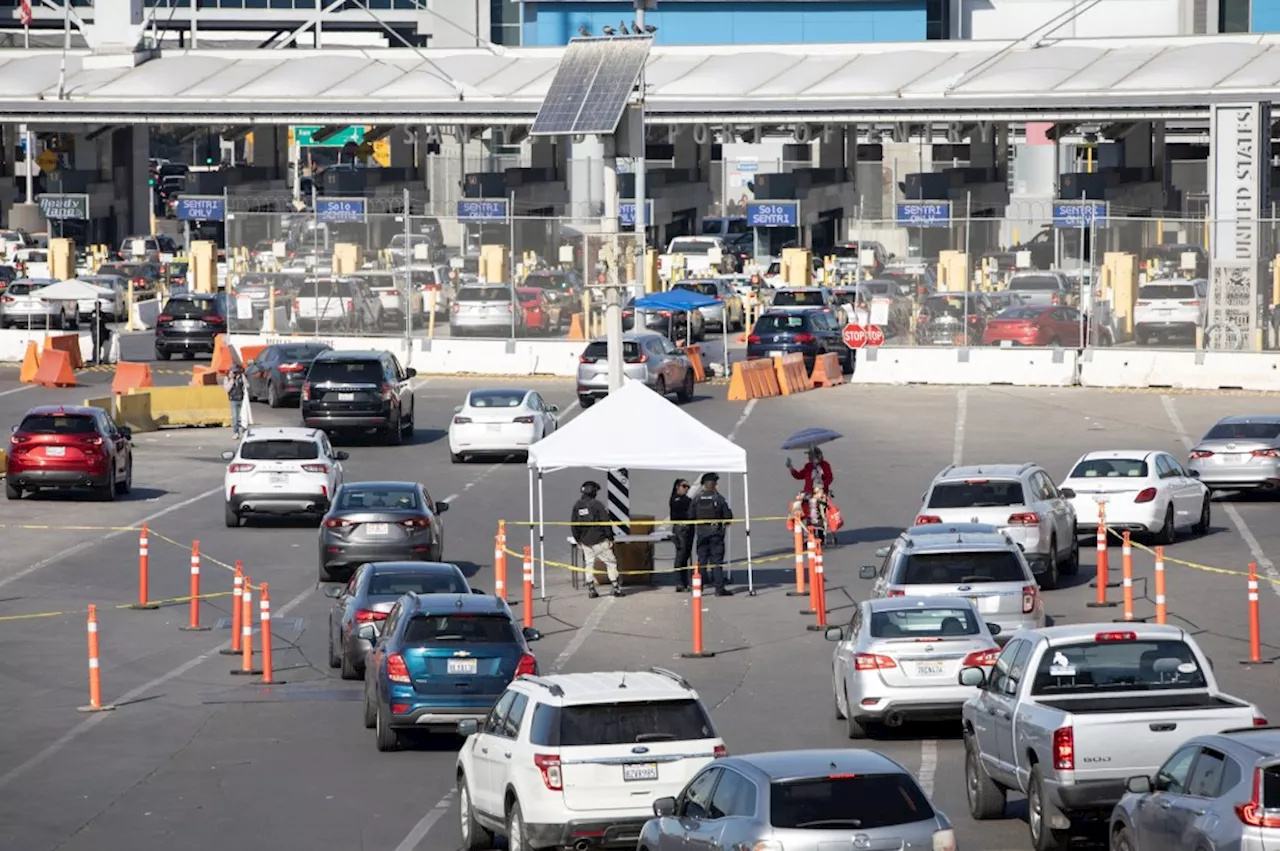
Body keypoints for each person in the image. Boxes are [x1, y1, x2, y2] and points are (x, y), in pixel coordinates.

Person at [570, 480, 622, 598]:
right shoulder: (597, 505)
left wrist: (578, 540)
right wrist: (610, 538)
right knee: (610, 562)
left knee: (589, 564)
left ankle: (591, 588)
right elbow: (605, 523)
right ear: (593, 492)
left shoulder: (577, 505)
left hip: (585, 542)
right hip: (600, 540)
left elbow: (574, 525)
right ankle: (615, 586)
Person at [692, 472, 733, 596]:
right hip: (716, 534)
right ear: (715, 485)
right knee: (717, 562)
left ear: (703, 485)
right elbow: (728, 517)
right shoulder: (719, 499)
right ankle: (719, 589)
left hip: (702, 533)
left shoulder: (697, 499)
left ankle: (699, 587)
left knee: (702, 561)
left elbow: (690, 516)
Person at [669, 478, 695, 592]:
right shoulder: (676, 499)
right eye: (684, 486)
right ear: (677, 487)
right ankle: (679, 583)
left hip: (688, 528)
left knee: (686, 555)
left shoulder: (687, 499)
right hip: (680, 529)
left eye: (687, 487)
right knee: (681, 555)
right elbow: (682, 508)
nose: (686, 488)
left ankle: (685, 582)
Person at [224, 364, 247, 439]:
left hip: (241, 399)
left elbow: (247, 385)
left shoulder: (241, 377)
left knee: (244, 416)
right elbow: (227, 389)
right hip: (233, 400)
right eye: (233, 372)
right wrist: (232, 380)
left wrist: (243, 383)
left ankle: (244, 431)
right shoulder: (227, 378)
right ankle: (236, 432)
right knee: (235, 417)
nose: (235, 374)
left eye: (236, 372)